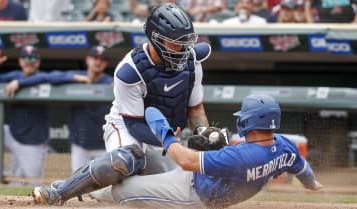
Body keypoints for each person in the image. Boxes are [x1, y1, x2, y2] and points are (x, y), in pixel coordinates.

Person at [32, 3, 210, 205]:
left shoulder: (193, 61)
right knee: (126, 160)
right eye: (174, 42)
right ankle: (59, 192)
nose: (182, 48)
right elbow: (134, 124)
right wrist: (167, 140)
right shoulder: (130, 70)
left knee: (180, 185)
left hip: (166, 135)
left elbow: (195, 108)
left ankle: (94, 188)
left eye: (185, 41)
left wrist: (203, 133)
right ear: (155, 39)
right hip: (127, 125)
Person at [107, 94, 323, 208]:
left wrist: (165, 135)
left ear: (250, 121)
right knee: (146, 166)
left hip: (195, 195)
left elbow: (185, 161)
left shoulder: (242, 156)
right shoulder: (284, 146)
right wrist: (312, 185)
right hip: (201, 178)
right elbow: (303, 170)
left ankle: (91, 194)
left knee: (119, 190)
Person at [0, 45, 49, 185]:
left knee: (33, 185)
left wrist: (20, 83)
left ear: (38, 62)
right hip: (13, 135)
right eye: (26, 58)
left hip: (33, 143)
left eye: (33, 58)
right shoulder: (14, 76)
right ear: (20, 61)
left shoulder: (43, 77)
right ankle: (3, 175)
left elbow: (47, 78)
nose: (29, 61)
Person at [46, 45, 114, 172]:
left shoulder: (111, 81)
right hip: (80, 145)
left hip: (103, 145)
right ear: (87, 60)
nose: (98, 62)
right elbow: (51, 77)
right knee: (77, 183)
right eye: (95, 58)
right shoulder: (77, 77)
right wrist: (75, 78)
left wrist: (117, 86)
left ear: (106, 63)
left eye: (102, 59)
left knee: (104, 186)